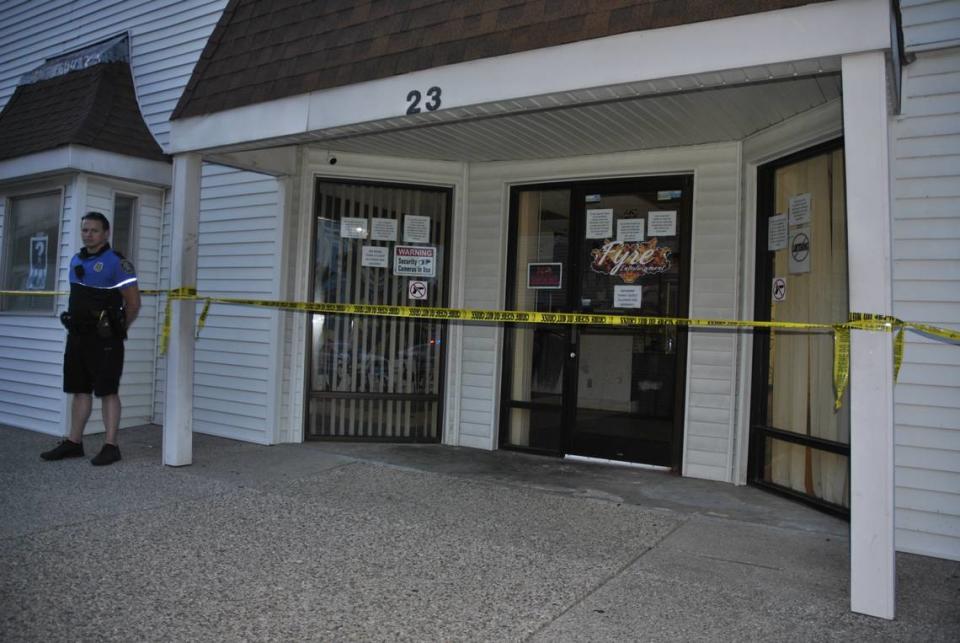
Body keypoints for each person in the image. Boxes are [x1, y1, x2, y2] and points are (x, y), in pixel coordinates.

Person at [41, 211, 140, 466]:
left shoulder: (117, 263)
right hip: (77, 338)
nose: (88, 234)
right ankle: (74, 443)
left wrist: (118, 330)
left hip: (105, 340)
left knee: (108, 391)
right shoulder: (76, 260)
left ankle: (111, 446)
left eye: (94, 230)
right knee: (79, 389)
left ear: (105, 233)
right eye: (85, 230)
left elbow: (133, 303)